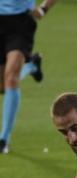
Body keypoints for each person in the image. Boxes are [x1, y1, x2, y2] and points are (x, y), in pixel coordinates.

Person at [0, 0, 55, 154]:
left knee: (11, 78)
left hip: (20, 22)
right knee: (3, 86)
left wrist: (43, 9)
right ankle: (31, 65)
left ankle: (3, 139)